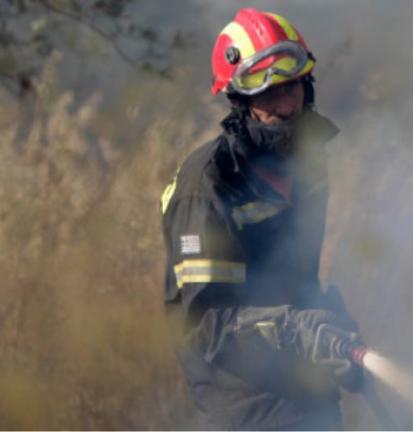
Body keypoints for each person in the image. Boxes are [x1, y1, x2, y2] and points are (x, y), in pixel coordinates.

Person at [161, 8, 364, 430]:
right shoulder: (209, 185)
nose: (284, 106)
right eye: (266, 94)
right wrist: (298, 331)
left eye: (290, 88)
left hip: (307, 391)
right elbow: (209, 324)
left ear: (307, 88)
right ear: (240, 100)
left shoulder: (307, 167)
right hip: (245, 406)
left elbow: (294, 280)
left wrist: (330, 327)